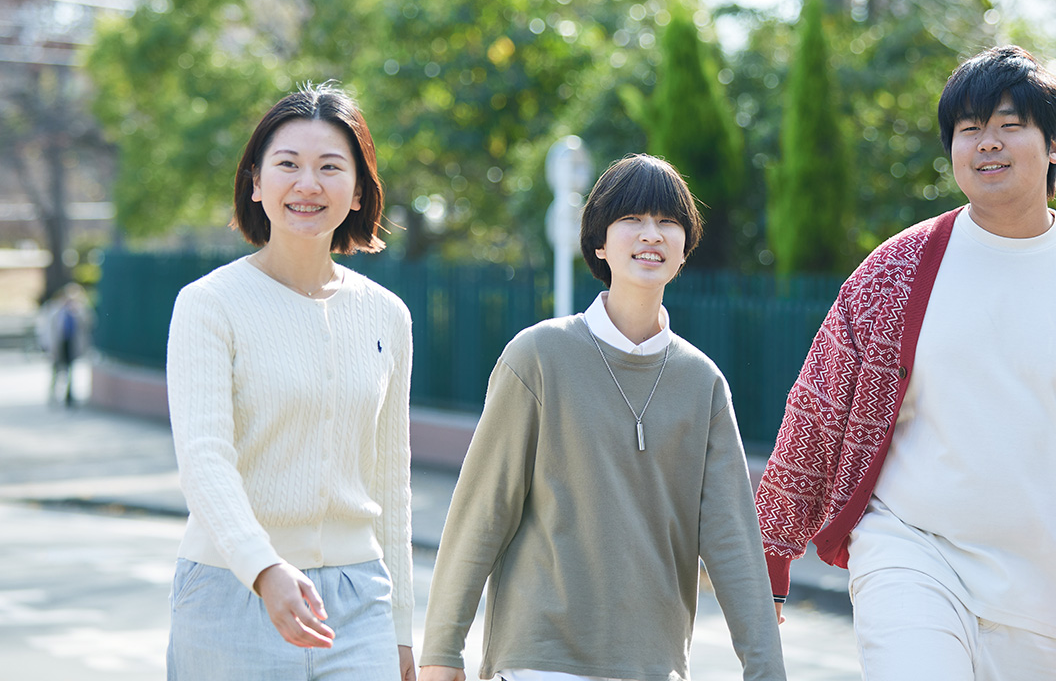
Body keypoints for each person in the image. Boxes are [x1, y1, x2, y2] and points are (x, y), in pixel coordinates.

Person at [419, 154, 786, 681]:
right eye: (632, 219)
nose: (651, 234)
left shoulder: (702, 382)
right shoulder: (538, 356)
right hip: (539, 660)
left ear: (685, 248)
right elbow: (482, 510)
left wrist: (766, 668)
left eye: (668, 222)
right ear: (598, 242)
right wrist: (440, 652)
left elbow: (732, 538)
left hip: (653, 665)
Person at [756, 45, 1056, 678]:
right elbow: (820, 406)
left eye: (1009, 124)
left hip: (1037, 596)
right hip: (912, 550)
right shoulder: (900, 269)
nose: (987, 143)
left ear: (1051, 145)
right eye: (969, 129)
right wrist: (770, 552)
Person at [164, 83, 416, 681]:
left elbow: (391, 481)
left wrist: (401, 628)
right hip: (231, 593)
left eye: (331, 167)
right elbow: (204, 459)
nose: (309, 184)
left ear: (358, 191)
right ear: (256, 183)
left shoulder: (388, 315)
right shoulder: (208, 305)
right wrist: (264, 569)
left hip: (359, 607)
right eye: (287, 165)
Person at [37, 282, 92, 406]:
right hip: (58, 345)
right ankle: (53, 396)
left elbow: (88, 324)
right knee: (56, 371)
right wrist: (47, 346)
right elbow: (47, 330)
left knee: (71, 372)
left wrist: (79, 309)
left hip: (71, 345)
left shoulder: (78, 312)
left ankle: (69, 396)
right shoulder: (55, 310)